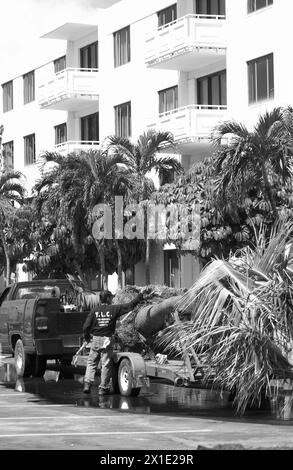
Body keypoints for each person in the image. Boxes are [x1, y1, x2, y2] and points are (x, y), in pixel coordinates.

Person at [82, 290, 143, 395]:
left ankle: (87, 384)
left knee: (92, 362)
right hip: (107, 340)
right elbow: (129, 306)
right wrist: (140, 296)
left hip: (96, 339)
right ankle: (103, 388)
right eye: (111, 298)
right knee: (106, 364)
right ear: (108, 298)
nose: (112, 299)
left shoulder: (94, 310)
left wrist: (87, 337)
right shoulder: (114, 309)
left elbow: (86, 326)